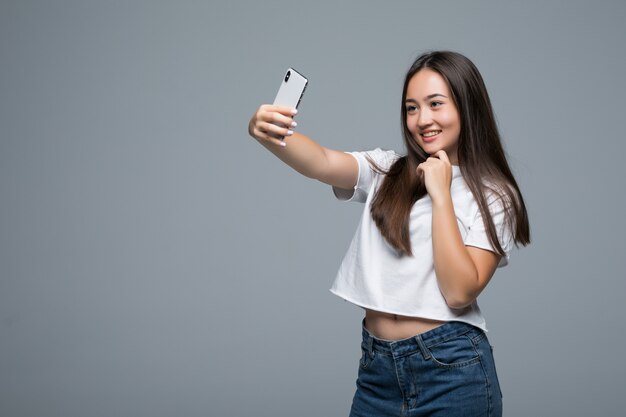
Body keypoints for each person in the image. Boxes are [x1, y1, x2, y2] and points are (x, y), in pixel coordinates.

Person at [248, 50, 530, 417]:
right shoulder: (387, 170)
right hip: (377, 372)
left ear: (467, 106)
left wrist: (441, 195)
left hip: (453, 373)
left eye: (435, 104)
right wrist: (270, 133)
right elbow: (321, 162)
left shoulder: (494, 195)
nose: (422, 119)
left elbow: (459, 291)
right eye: (411, 108)